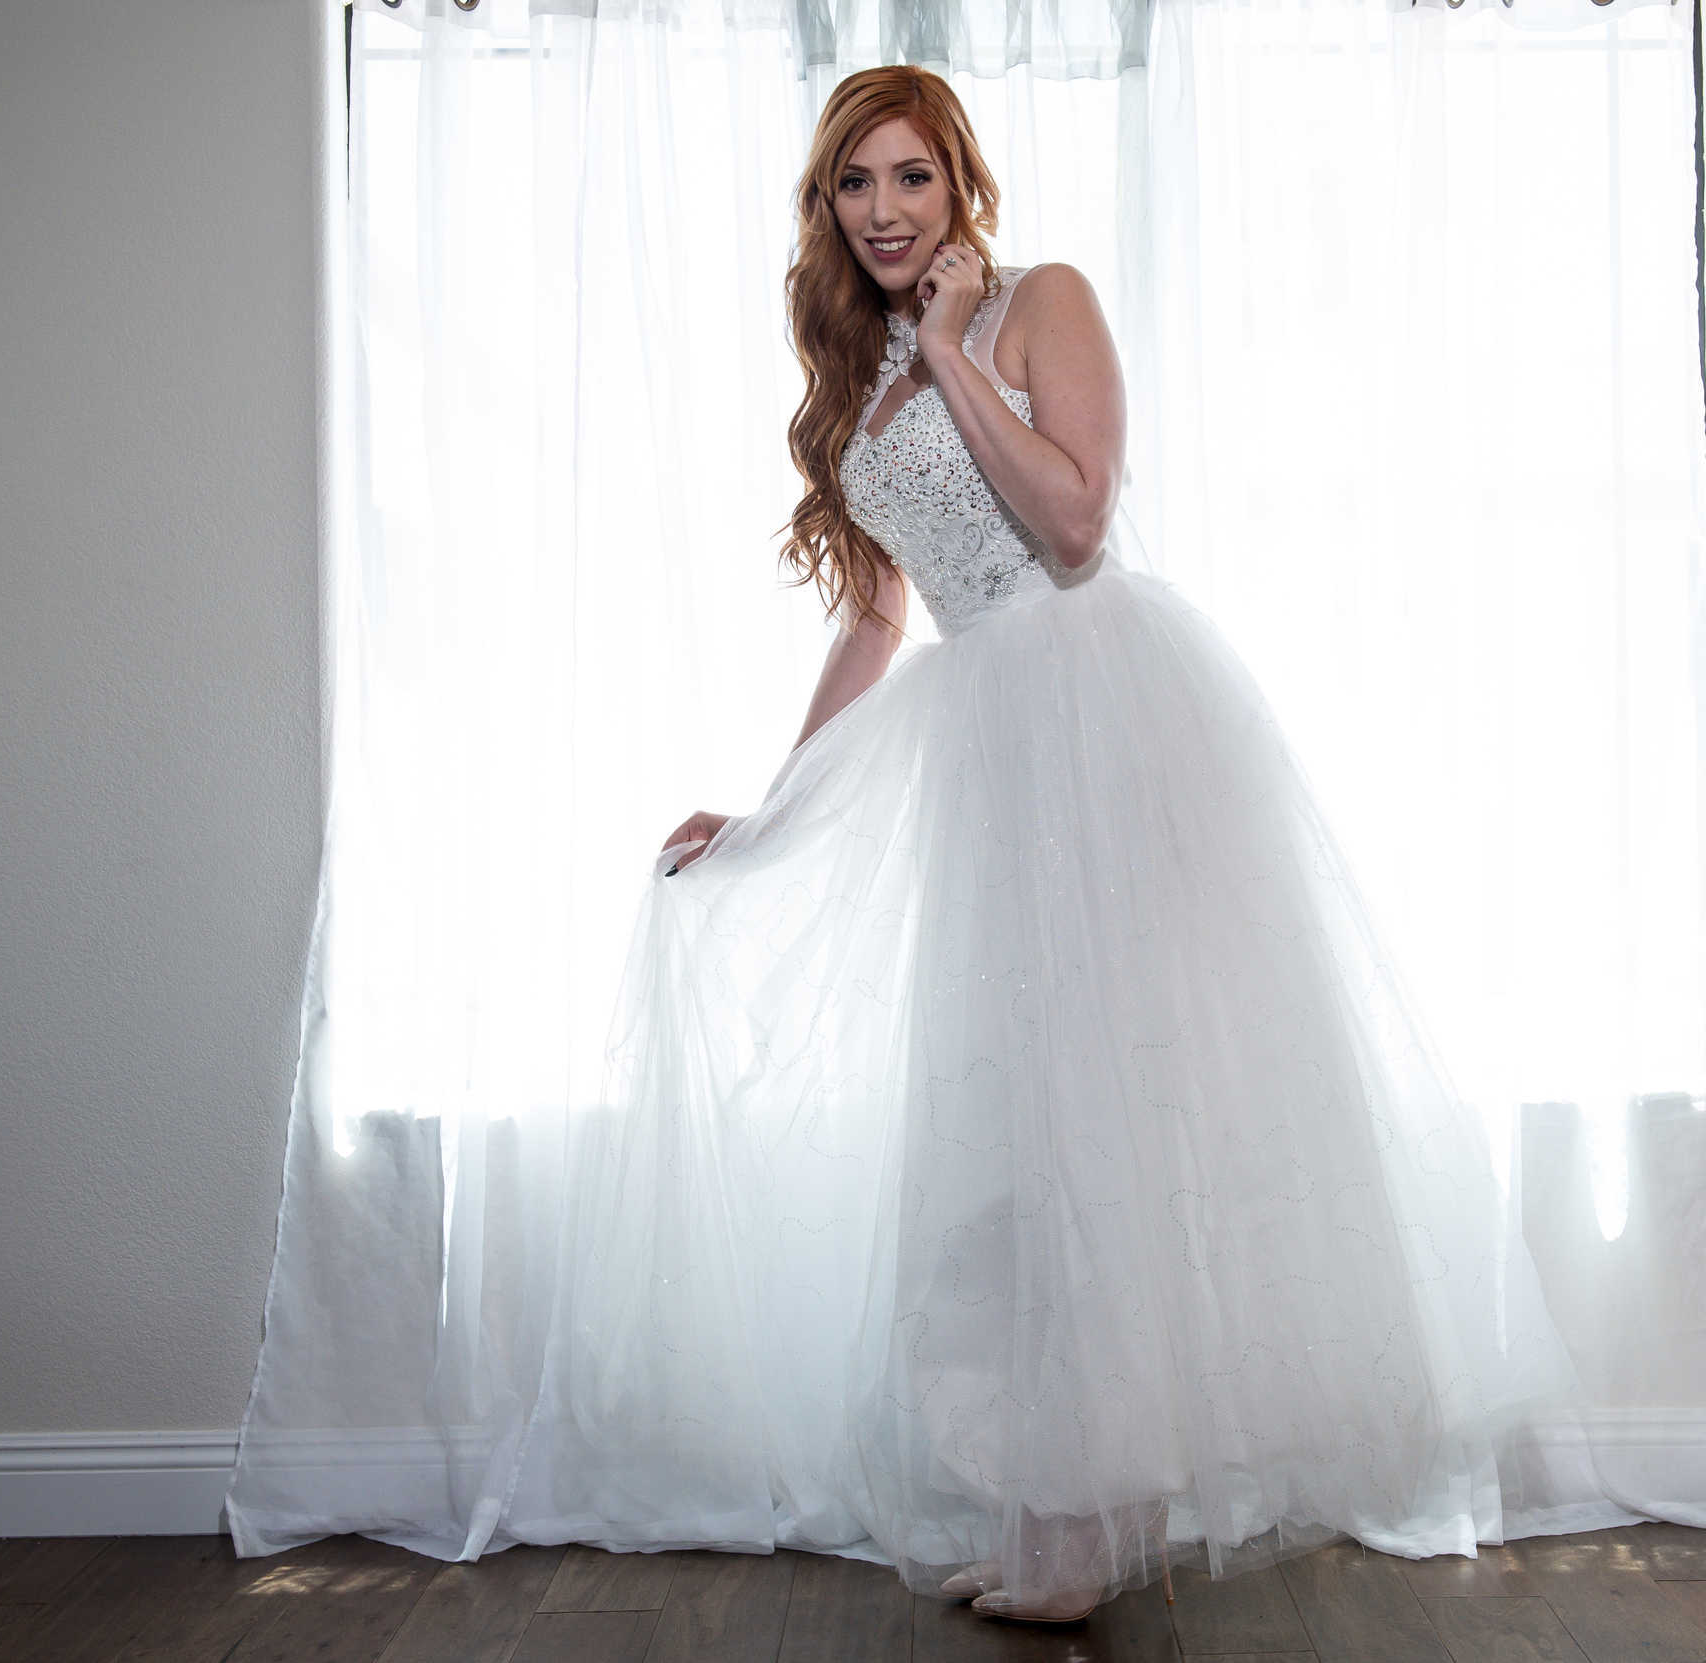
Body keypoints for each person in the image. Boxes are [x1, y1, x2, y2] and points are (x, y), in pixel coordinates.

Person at [579, 65, 1595, 1625]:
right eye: (855, 183)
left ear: (960, 181)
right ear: (827, 207)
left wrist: (950, 352)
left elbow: (1072, 524)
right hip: (978, 752)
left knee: (1112, 1129)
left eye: (911, 177)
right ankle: (1060, 1509)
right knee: (1007, 1148)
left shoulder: (1037, 302)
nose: (884, 211)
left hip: (1101, 724)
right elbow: (876, 618)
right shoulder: (859, 380)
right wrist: (776, 812)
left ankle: (1091, 1522)